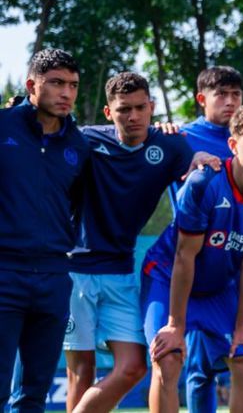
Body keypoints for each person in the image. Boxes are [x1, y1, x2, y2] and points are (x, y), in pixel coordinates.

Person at [64, 72, 195, 412]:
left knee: (134, 366)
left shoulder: (171, 145)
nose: (133, 116)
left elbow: (198, 168)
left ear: (152, 107)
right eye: (124, 109)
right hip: (74, 272)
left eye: (140, 107)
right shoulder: (84, 140)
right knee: (81, 372)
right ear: (109, 112)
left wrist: (203, 161)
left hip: (121, 272)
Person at [142, 66, 243, 411]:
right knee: (171, 359)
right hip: (180, 264)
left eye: (236, 94)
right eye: (221, 94)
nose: (230, 102)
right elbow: (130, 143)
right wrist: (156, 131)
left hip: (229, 272)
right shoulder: (178, 138)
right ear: (202, 99)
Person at [0, 49, 91, 411]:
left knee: (33, 394)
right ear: (31, 86)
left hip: (54, 276)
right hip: (4, 272)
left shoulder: (79, 145)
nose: (66, 93)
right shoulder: (3, 126)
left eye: (73, 85)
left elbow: (77, 207)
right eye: (56, 83)